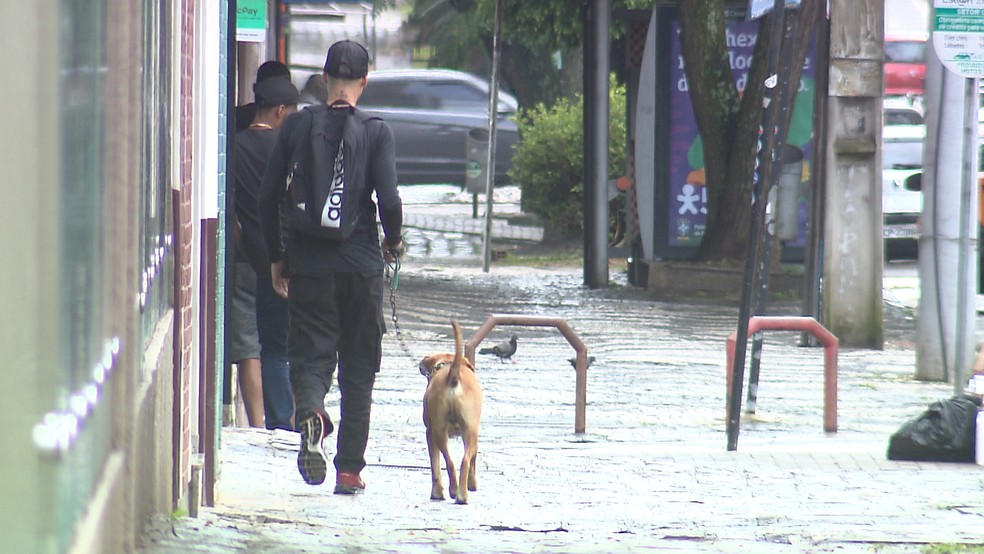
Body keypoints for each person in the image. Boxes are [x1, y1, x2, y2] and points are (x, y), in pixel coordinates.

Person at [257, 39, 404, 494]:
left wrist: (278, 259)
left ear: (323, 80)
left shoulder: (296, 126)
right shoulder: (377, 131)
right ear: (364, 82)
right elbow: (390, 200)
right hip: (361, 266)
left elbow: (267, 199)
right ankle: (348, 470)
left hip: (310, 265)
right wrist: (392, 241)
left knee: (310, 355)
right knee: (360, 368)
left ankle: (313, 411)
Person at [233, 72, 300, 431]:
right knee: (283, 344)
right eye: (290, 111)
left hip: (246, 259)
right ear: (278, 111)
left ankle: (263, 425)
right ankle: (290, 415)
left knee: (250, 347)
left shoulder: (236, 145)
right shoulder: (286, 149)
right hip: (285, 257)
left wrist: (244, 242)